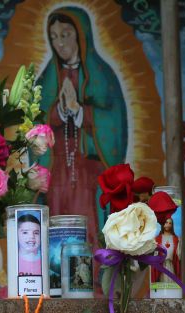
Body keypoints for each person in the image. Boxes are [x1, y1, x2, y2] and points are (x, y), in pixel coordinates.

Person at [36, 7, 128, 244]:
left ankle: (95, 281)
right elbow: (35, 122)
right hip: (57, 172)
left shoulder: (102, 75)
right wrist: (57, 111)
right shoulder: (47, 79)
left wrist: (79, 111)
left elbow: (114, 122)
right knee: (57, 226)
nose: (60, 44)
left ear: (81, 35)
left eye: (65, 35)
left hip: (90, 171)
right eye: (54, 37)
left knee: (90, 225)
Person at [151, 217, 179, 283]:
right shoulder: (157, 239)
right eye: (166, 223)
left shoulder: (176, 238)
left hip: (171, 265)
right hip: (161, 266)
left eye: (170, 223)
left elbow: (177, 254)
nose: (168, 225)